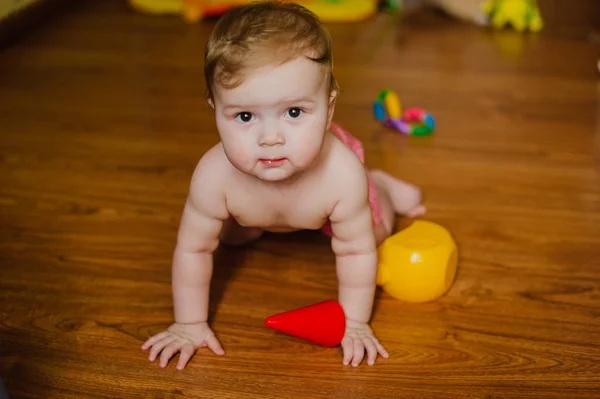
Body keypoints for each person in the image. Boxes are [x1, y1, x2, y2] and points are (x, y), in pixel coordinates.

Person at [141, 0, 425, 370]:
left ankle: (383, 186)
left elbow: (356, 254)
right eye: (244, 115)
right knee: (226, 237)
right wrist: (188, 323)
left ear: (329, 110)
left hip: (326, 194)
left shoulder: (341, 174)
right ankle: (257, 223)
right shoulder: (213, 177)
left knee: (375, 233)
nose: (270, 138)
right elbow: (193, 251)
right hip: (258, 205)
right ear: (215, 110)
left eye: (294, 112)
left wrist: (354, 322)